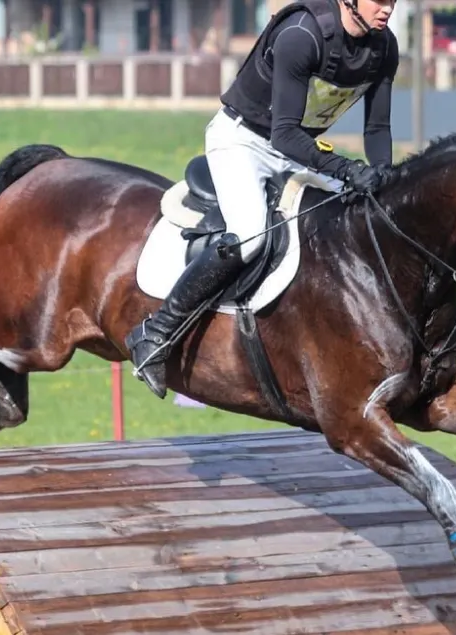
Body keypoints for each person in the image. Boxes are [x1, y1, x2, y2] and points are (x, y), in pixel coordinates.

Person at [125, 0, 401, 398]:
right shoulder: (302, 36)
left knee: (355, 218)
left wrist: (383, 178)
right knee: (251, 234)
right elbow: (284, 134)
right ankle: (156, 332)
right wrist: (345, 169)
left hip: (296, 146)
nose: (388, 8)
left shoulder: (384, 47)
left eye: (394, 0)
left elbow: (377, 128)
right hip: (244, 140)